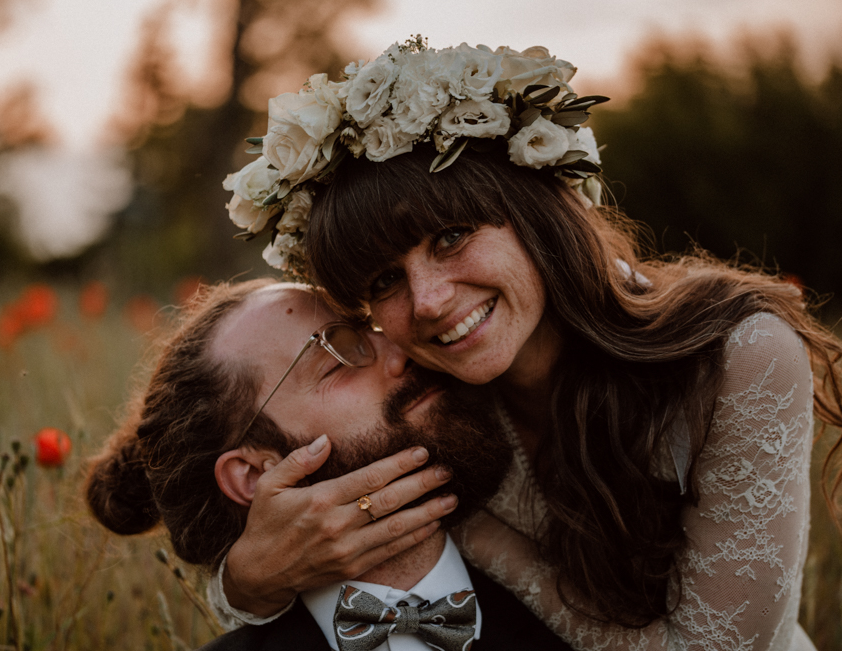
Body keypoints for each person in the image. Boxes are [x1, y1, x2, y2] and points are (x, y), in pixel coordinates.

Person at [217, 39, 842, 651]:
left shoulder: (737, 355)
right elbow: (309, 530)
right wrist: (246, 581)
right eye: (385, 281)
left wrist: (474, 529)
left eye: (451, 236)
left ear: (534, 210)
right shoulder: (424, 397)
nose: (429, 300)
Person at [85, 279, 572, 651]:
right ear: (255, 474)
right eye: (338, 357)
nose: (401, 349)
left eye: (372, 327)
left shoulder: (573, 609)